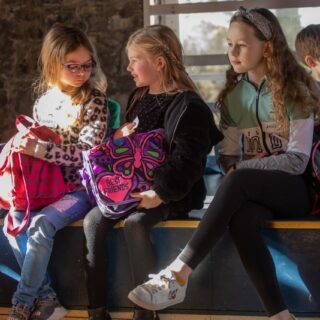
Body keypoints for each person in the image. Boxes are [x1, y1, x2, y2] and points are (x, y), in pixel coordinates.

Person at [128, 7, 320, 320]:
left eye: (241, 45)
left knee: (239, 180)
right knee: (242, 216)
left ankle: (178, 274)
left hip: (299, 191)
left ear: (267, 47)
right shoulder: (232, 97)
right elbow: (228, 158)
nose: (232, 51)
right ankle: (280, 316)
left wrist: (245, 168)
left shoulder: (296, 89)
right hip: (254, 192)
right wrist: (239, 166)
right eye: (229, 44)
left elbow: (297, 161)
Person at [83, 25, 222, 320]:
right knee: (93, 221)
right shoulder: (139, 96)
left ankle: (145, 311)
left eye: (135, 59)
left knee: (135, 223)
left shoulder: (189, 105)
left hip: (172, 193)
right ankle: (96, 310)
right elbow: (130, 149)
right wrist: (118, 137)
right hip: (131, 186)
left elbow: (189, 160)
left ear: (159, 62)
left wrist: (159, 193)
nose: (129, 67)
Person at [4, 24, 109, 320]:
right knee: (11, 225)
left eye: (87, 65)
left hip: (80, 190)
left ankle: (22, 303)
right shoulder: (43, 103)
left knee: (39, 226)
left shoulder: (95, 100)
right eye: (72, 66)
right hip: (43, 188)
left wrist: (42, 150)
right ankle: (48, 298)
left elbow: (87, 156)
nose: (81, 73)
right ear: (53, 64)